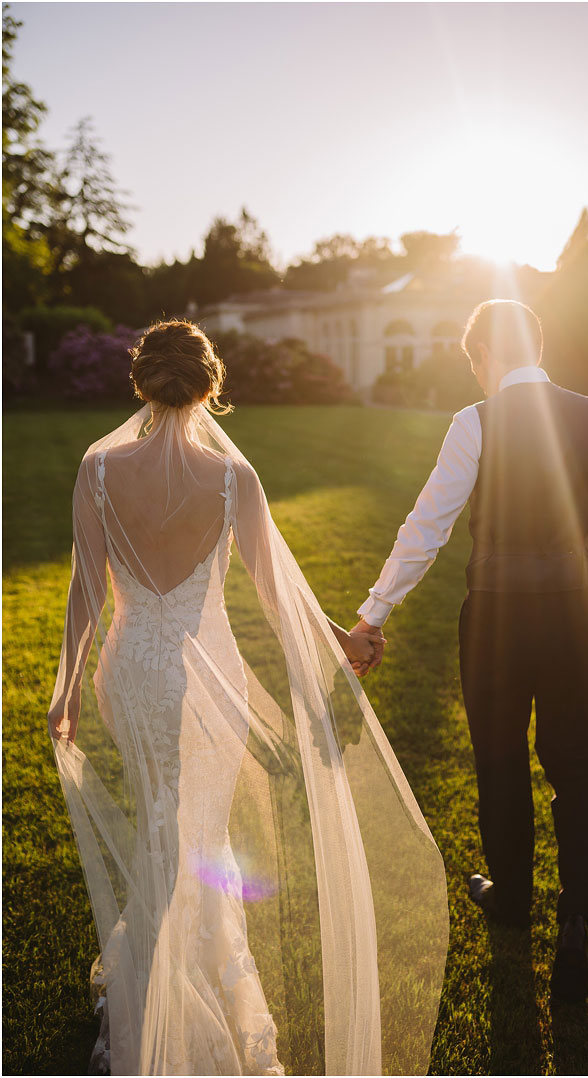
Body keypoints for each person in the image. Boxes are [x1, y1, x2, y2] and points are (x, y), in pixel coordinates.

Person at [47, 320, 449, 1074]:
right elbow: (278, 592)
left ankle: (154, 983)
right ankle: (166, 993)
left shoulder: (98, 469)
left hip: (131, 673)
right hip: (211, 678)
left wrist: (66, 688)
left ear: (141, 381)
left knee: (164, 824)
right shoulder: (234, 480)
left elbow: (84, 596)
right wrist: (344, 638)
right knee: (192, 827)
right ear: (212, 384)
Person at [351, 298, 588, 1003]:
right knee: (576, 763)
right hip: (572, 614)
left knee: (500, 755)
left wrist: (372, 616)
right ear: (536, 346)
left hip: (496, 621)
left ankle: (512, 898)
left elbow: (429, 526)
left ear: (482, 357)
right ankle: (576, 921)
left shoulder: (474, 420)